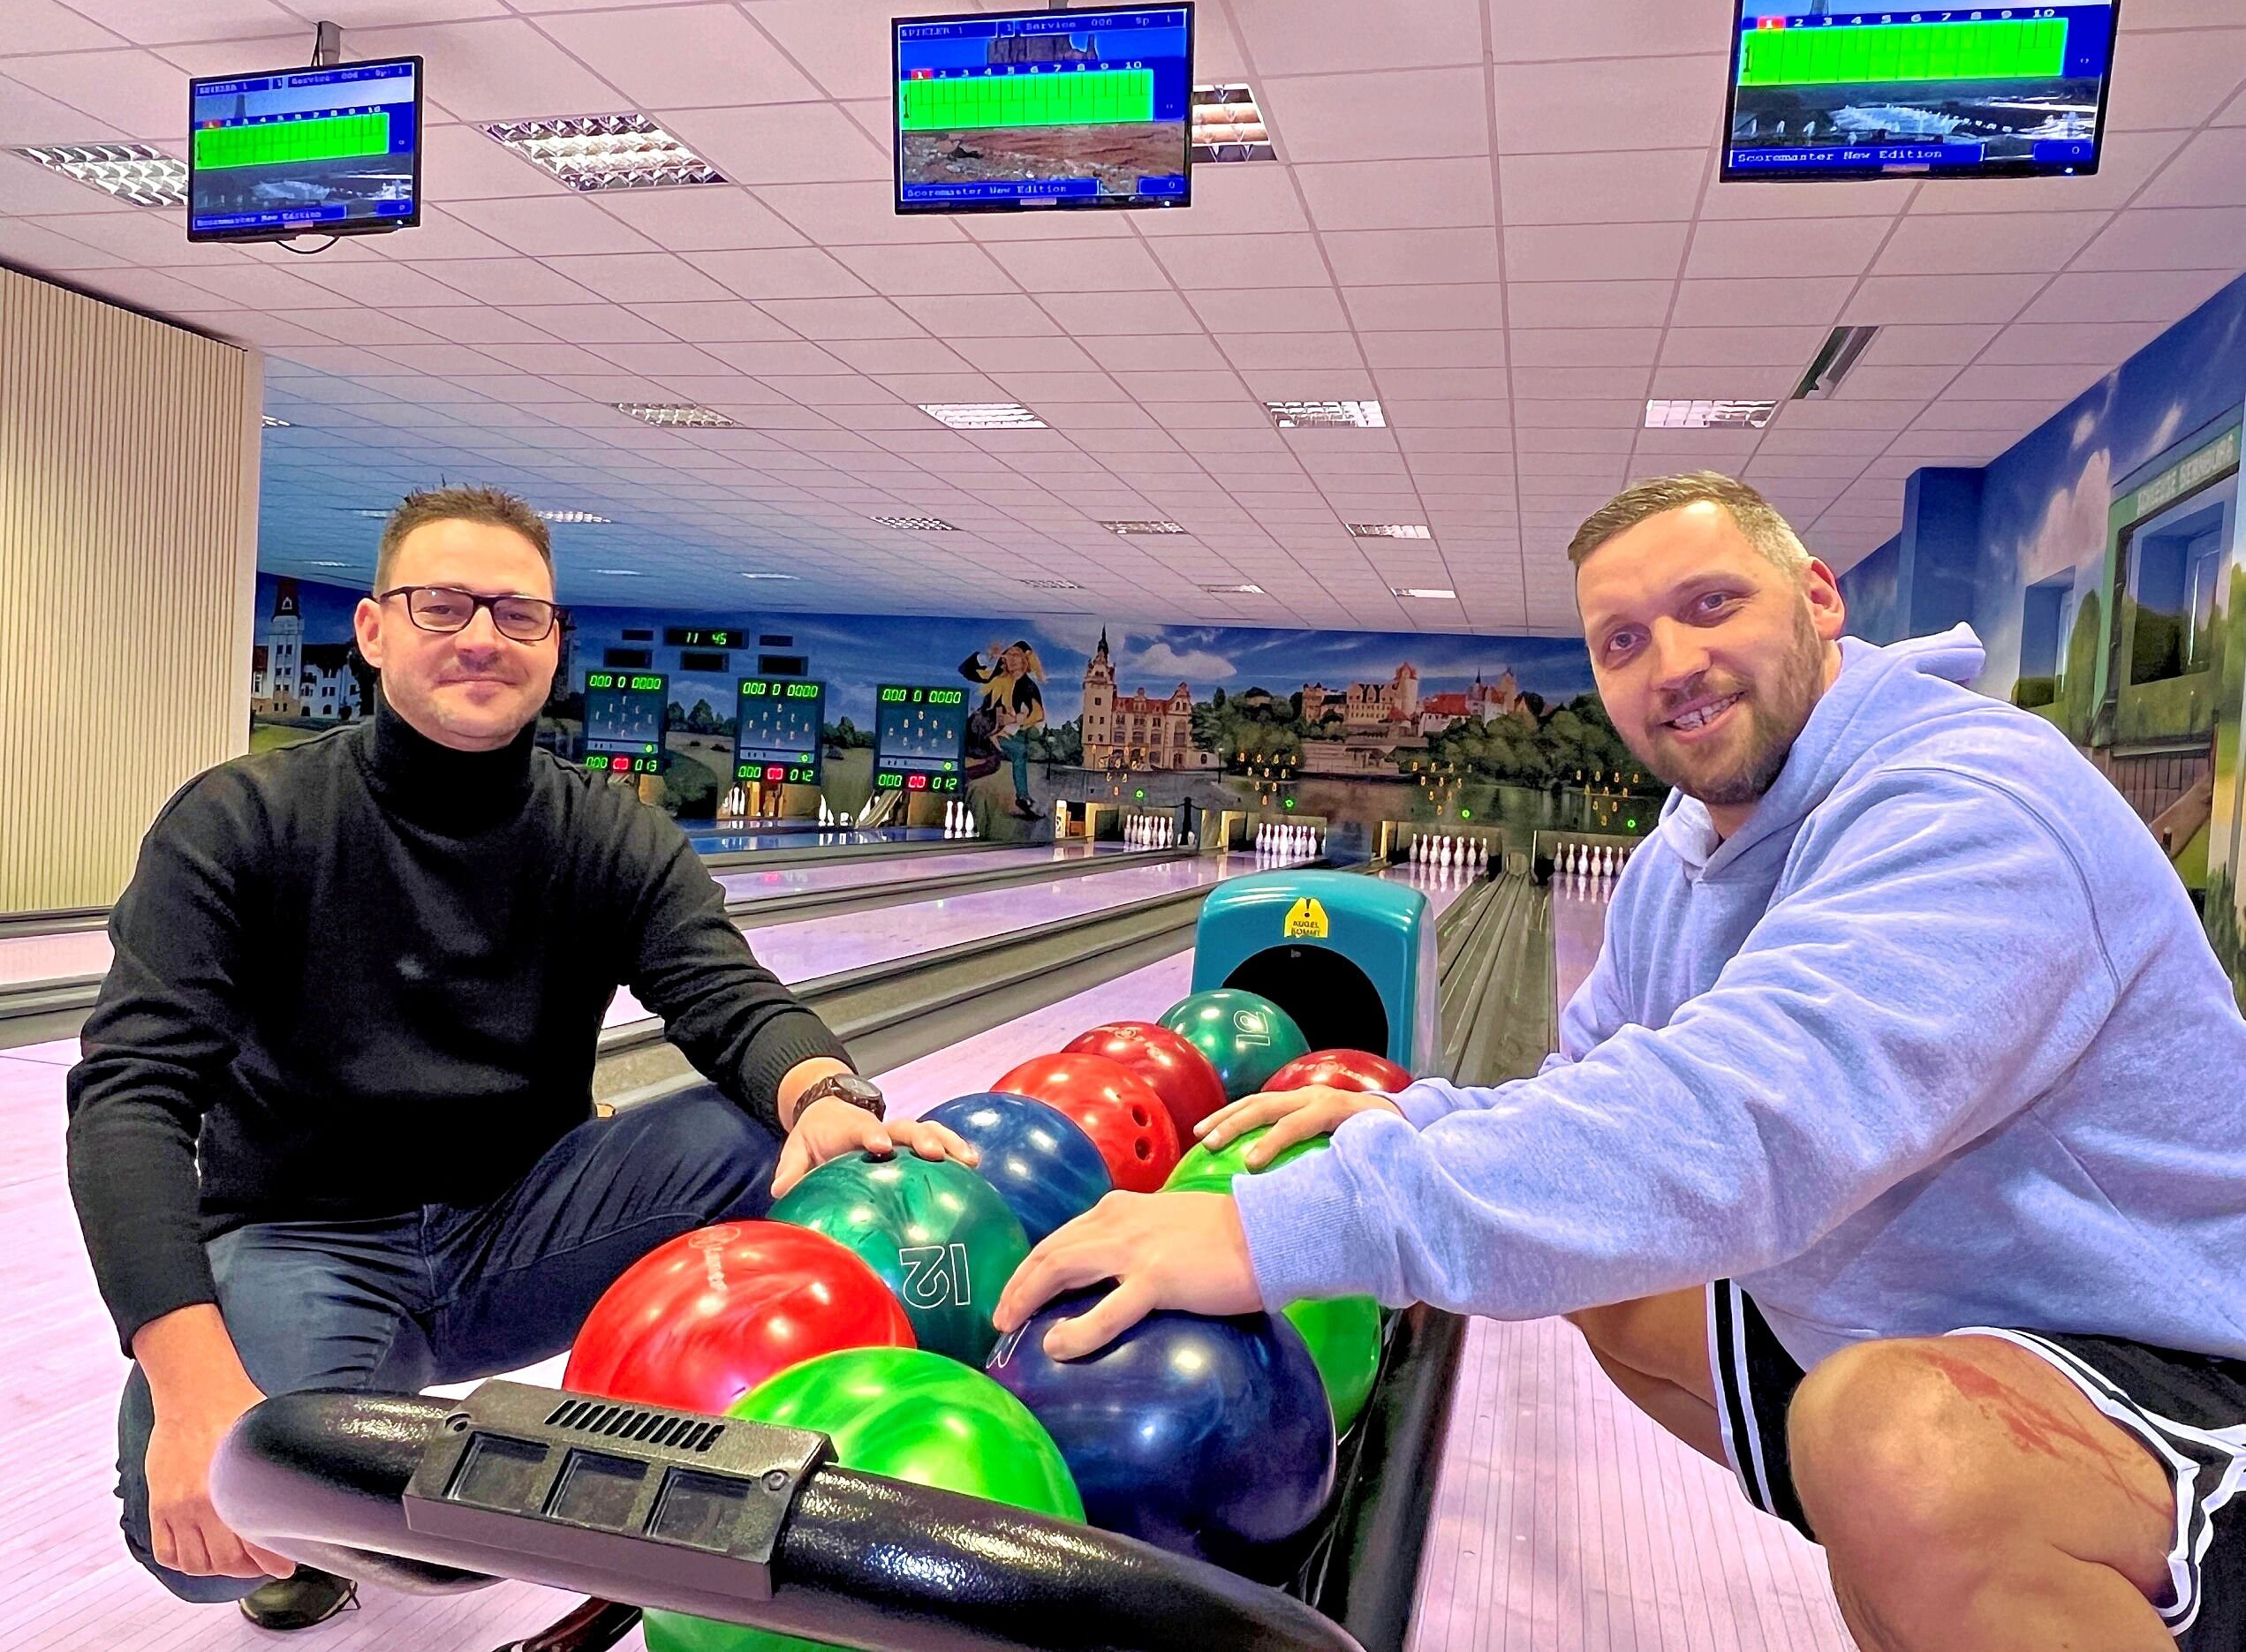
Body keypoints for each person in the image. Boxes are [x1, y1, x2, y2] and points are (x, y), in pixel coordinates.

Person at [997, 471, 2246, 1651]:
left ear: (1817, 597)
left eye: (1710, 604)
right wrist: (1409, 1119)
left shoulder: (1968, 804)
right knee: (1611, 1274)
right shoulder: (1685, 853)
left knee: (1894, 1442)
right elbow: (1590, 1098)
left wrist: (1269, 1235)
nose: (1673, 663)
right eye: (1621, 640)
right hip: (1960, 1310)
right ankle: (1937, 1570)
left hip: (2178, 1354)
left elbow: (1740, 1130)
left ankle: (1979, 1541)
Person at [67, 487, 971, 1632]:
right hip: (308, 1233)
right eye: (442, 604)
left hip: (522, 1224)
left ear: (554, 645)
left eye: (517, 613)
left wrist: (825, 1092)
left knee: (756, 1136)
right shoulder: (243, 820)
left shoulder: (605, 829)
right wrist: (197, 1394)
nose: (482, 634)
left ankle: (741, 1463)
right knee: (193, 1542)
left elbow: (725, 994)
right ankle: (339, 1457)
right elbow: (128, 1103)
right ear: (373, 629)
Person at [959, 639, 1046, 817]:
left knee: (997, 762)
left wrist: (1017, 719)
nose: (1012, 659)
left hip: (999, 733)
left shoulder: (1029, 687)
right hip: (980, 728)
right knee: (1015, 752)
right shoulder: (996, 677)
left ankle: (1022, 798)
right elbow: (965, 670)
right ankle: (1022, 796)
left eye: (1017, 655)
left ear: (1025, 660)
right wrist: (987, 657)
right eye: (1009, 655)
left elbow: (1037, 714)